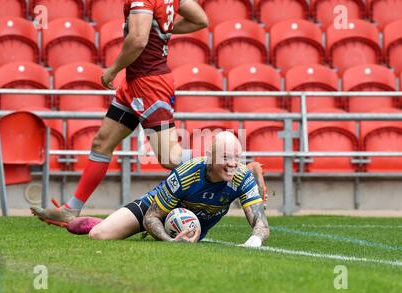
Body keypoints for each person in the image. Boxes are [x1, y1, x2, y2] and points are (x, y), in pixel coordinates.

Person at [30, 0, 209, 221]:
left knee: (170, 157)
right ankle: (71, 209)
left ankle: (232, 161)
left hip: (149, 84)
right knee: (102, 142)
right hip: (134, 83)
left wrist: (113, 70)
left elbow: (138, 40)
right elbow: (201, 20)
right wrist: (167, 28)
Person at [32, 132, 270, 247]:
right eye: (225, 157)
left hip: (186, 223)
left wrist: (254, 241)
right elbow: (152, 217)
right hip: (154, 207)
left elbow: (260, 222)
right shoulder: (186, 174)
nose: (232, 164)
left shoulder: (241, 176)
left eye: (236, 158)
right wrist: (168, 241)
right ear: (209, 157)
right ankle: (97, 222)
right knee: (97, 235)